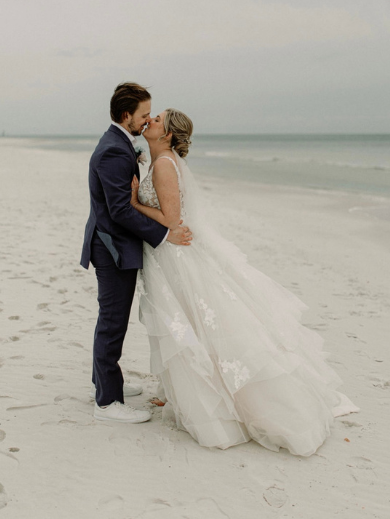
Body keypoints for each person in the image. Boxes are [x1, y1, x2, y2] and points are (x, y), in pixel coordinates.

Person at [129, 108, 359, 456]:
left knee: (189, 323)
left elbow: (172, 220)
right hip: (169, 257)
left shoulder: (163, 164)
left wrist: (134, 203)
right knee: (187, 324)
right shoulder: (161, 160)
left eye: (157, 119)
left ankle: (227, 404)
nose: (150, 121)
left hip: (176, 258)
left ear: (169, 134)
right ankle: (184, 393)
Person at [80, 83, 193, 424]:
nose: (147, 120)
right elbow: (120, 210)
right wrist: (165, 234)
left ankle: (105, 381)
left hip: (113, 244)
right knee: (112, 323)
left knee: (112, 320)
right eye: (144, 115)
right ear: (126, 114)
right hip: (112, 248)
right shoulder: (114, 150)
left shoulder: (118, 143)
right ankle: (107, 402)